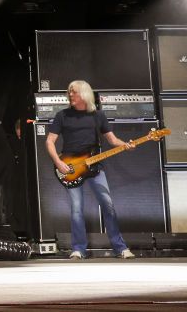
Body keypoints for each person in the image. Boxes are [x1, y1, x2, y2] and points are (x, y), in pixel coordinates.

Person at [45, 80, 135, 260]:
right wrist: (58, 162)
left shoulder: (98, 115)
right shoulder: (62, 115)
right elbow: (49, 141)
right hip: (70, 167)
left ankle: (120, 248)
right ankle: (78, 249)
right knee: (77, 209)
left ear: (84, 94)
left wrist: (126, 145)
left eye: (74, 92)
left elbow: (112, 140)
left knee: (108, 205)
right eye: (69, 92)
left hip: (95, 166)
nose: (70, 95)